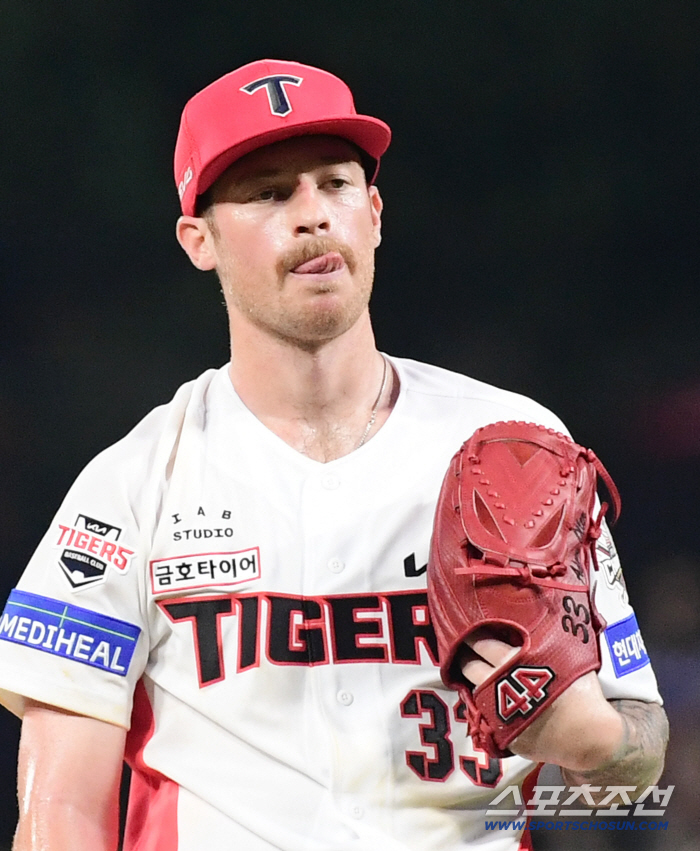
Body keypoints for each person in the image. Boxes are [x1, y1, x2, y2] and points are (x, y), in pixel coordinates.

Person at [0, 59, 668, 851]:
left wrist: (591, 739)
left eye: (335, 183)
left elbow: (639, 753)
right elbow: (62, 811)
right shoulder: (132, 485)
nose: (314, 215)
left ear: (376, 212)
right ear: (199, 239)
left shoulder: (514, 447)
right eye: (271, 192)